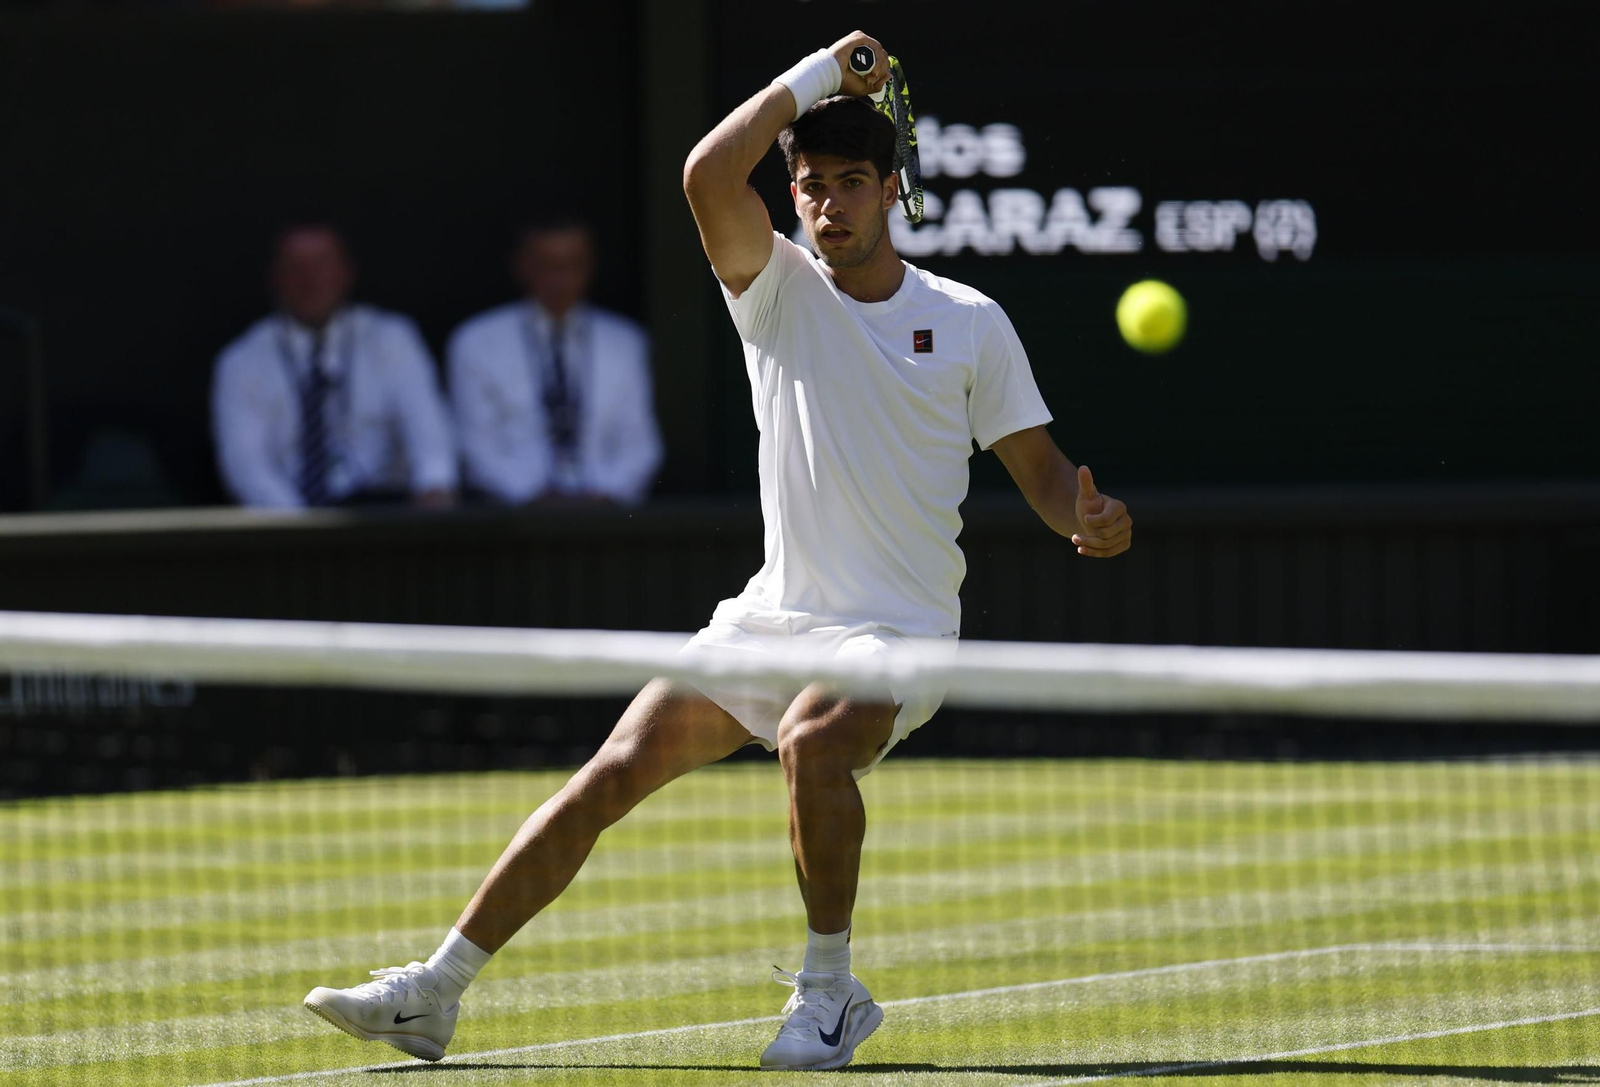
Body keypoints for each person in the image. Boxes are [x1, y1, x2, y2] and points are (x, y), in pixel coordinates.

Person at [301, 31, 1133, 1071]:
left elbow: (1043, 473)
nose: (829, 204)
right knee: (611, 769)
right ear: (791, 198)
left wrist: (1082, 518)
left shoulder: (969, 322)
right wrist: (823, 72)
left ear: (889, 192)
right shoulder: (772, 288)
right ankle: (434, 989)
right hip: (770, 616)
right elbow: (706, 171)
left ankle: (828, 993)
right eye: (811, 185)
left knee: (813, 736)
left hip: (898, 633)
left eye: (852, 184)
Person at [211, 222, 458, 509]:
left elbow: (429, 433)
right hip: (287, 522)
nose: (309, 279)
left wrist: (434, 488)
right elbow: (246, 466)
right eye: (295, 267)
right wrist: (305, 531)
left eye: (321, 264)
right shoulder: (242, 360)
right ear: (275, 277)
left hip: (384, 514)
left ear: (346, 273)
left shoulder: (392, 338)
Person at [447, 216, 662, 505]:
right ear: (522, 266)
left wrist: (605, 496)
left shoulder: (626, 342)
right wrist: (531, 496)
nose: (560, 279)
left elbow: (640, 445)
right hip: (511, 519)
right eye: (548, 266)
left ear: (590, 266)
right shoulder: (476, 341)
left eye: (572, 265)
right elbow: (474, 443)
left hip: (605, 515)